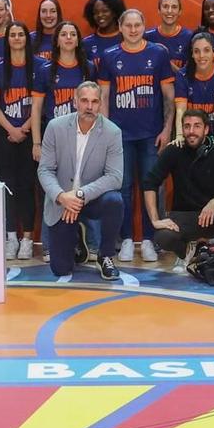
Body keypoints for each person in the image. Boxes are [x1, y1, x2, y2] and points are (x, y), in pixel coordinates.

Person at [95, 8, 173, 263]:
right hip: (121, 136)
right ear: (120, 27)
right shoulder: (109, 57)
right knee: (124, 188)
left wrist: (167, 129)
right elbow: (104, 97)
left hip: (151, 134)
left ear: (143, 26)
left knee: (151, 187)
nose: (132, 29)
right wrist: (106, 132)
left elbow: (169, 97)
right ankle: (127, 238)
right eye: (127, 25)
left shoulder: (158, 53)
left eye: (137, 24)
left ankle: (150, 239)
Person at [37, 81, 125, 281]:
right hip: (62, 201)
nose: (89, 106)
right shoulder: (55, 127)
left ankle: (105, 255)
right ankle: (77, 236)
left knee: (115, 201)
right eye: (84, 100)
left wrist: (79, 195)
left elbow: (115, 177)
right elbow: (45, 170)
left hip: (91, 199)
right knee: (61, 269)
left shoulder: (113, 132)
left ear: (101, 104)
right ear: (75, 102)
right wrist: (61, 196)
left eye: (94, 101)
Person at [145, 108, 214, 263]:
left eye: (197, 126)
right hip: (184, 218)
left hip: (213, 216)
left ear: (206, 129)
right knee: (162, 237)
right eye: (187, 126)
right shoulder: (173, 150)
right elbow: (150, 182)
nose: (191, 131)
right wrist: (155, 220)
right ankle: (187, 252)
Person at [0, 21, 38, 260]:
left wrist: (24, 129)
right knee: (6, 186)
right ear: (7, 39)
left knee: (27, 187)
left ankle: (27, 239)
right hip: (4, 134)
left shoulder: (38, 66)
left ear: (26, 39)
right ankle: (10, 237)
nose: (17, 38)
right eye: (13, 35)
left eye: (21, 34)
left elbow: (40, 105)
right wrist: (11, 128)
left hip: (30, 135)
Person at [172, 31, 214, 146]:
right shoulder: (182, 75)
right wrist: (180, 136)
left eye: (206, 50)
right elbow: (180, 110)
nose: (201, 56)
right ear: (192, 54)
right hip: (190, 130)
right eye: (196, 51)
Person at [30, 20, 91, 131]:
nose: (68, 37)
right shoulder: (45, 70)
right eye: (63, 34)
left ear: (77, 41)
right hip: (55, 132)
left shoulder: (89, 68)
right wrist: (36, 143)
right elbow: (36, 108)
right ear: (57, 41)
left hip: (84, 131)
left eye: (73, 34)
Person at [151, 0, 191, 70]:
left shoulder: (189, 37)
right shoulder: (148, 37)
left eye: (174, 7)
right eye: (165, 6)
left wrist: (165, 60)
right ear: (159, 10)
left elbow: (189, 76)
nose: (169, 11)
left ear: (180, 11)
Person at [80, 0, 126, 64]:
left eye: (105, 11)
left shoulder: (126, 38)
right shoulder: (86, 43)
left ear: (114, 12)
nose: (100, 15)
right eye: (95, 12)